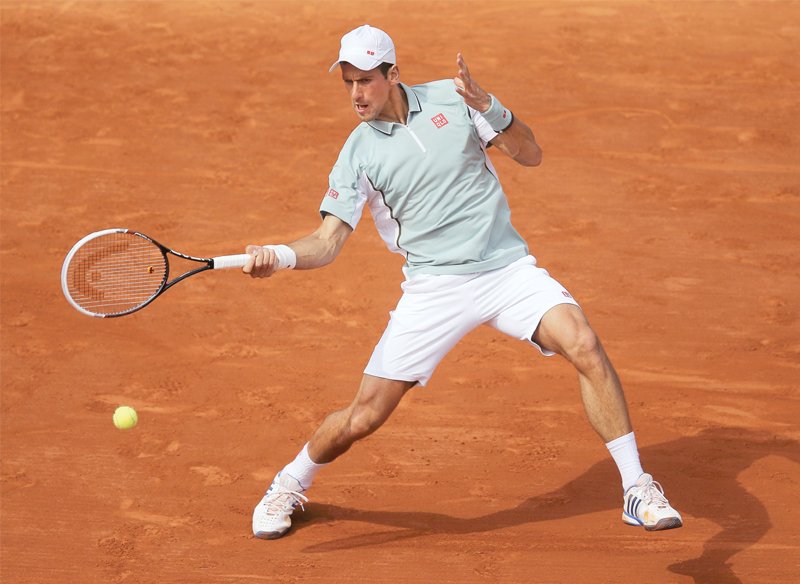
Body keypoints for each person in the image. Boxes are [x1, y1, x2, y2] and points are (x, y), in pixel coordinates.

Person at [243, 24, 682, 540]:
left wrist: (490, 105)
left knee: (583, 342)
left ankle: (636, 487)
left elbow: (530, 153)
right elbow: (327, 241)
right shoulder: (357, 153)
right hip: (435, 288)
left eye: (366, 80)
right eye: (348, 83)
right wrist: (279, 255)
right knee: (365, 415)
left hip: (506, 269)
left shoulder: (455, 99)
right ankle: (290, 482)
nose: (356, 94)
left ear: (393, 74)